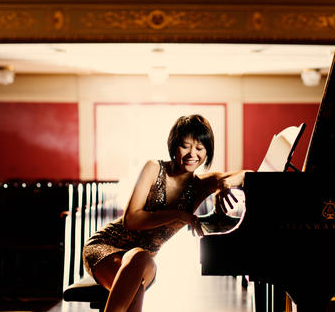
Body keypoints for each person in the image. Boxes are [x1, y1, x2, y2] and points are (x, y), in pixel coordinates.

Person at [82, 114, 250, 312]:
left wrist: (223, 183)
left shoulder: (200, 185)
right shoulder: (154, 168)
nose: (192, 154)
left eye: (199, 148)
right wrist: (178, 214)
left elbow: (249, 174)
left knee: (141, 259)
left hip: (144, 262)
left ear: (207, 151)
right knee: (136, 282)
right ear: (174, 146)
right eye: (185, 146)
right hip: (106, 248)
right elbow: (131, 219)